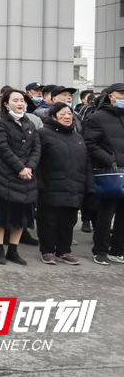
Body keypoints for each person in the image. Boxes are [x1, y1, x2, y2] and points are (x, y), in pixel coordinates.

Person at [37, 102, 93, 265]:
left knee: (68, 221)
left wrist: (88, 185)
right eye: (63, 114)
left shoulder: (77, 136)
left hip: (74, 186)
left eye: (69, 114)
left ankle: (64, 250)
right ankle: (47, 250)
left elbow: (86, 162)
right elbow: (37, 161)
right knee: (48, 221)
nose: (67, 117)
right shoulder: (43, 134)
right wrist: (39, 184)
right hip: (50, 186)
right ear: (53, 117)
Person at [0, 88, 40, 265]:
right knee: (1, 215)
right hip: (6, 174)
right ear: (6, 104)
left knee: (21, 216)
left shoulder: (30, 124)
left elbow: (36, 148)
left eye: (22, 101)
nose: (20, 103)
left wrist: (29, 167)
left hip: (26, 176)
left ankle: (13, 249)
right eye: (16, 100)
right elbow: (2, 148)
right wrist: (20, 167)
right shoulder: (1, 123)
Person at [83, 83, 124, 266]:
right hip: (110, 173)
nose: (123, 97)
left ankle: (118, 250)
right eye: (121, 94)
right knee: (105, 214)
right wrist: (109, 160)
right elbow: (90, 143)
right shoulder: (97, 117)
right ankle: (100, 250)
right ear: (111, 96)